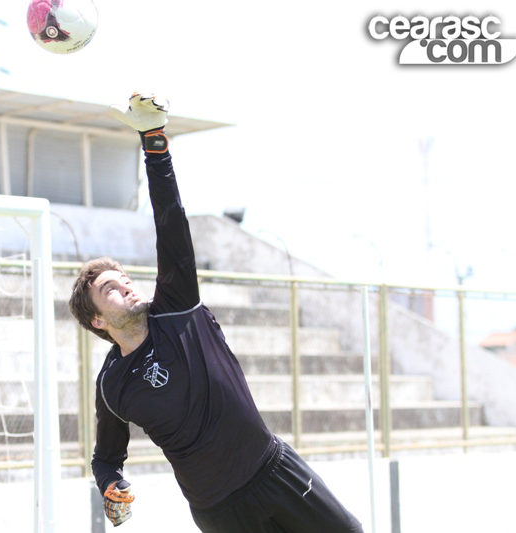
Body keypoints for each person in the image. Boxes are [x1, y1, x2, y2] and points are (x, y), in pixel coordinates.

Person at [68, 92, 363, 532]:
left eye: (125, 278)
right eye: (110, 288)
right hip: (219, 512)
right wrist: (111, 484)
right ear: (97, 320)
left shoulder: (177, 309)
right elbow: (106, 457)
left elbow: (170, 222)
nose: (126, 285)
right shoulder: (113, 385)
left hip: (275, 472)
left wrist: (154, 142)